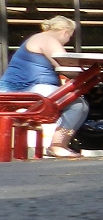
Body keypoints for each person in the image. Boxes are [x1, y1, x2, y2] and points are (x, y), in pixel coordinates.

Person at [0, 15, 89, 158]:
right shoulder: (48, 39)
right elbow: (65, 65)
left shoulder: (38, 38)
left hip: (19, 89)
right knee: (78, 104)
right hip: (28, 89)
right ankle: (57, 146)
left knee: (76, 102)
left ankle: (58, 146)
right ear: (65, 31)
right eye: (70, 36)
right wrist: (90, 72)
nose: (68, 41)